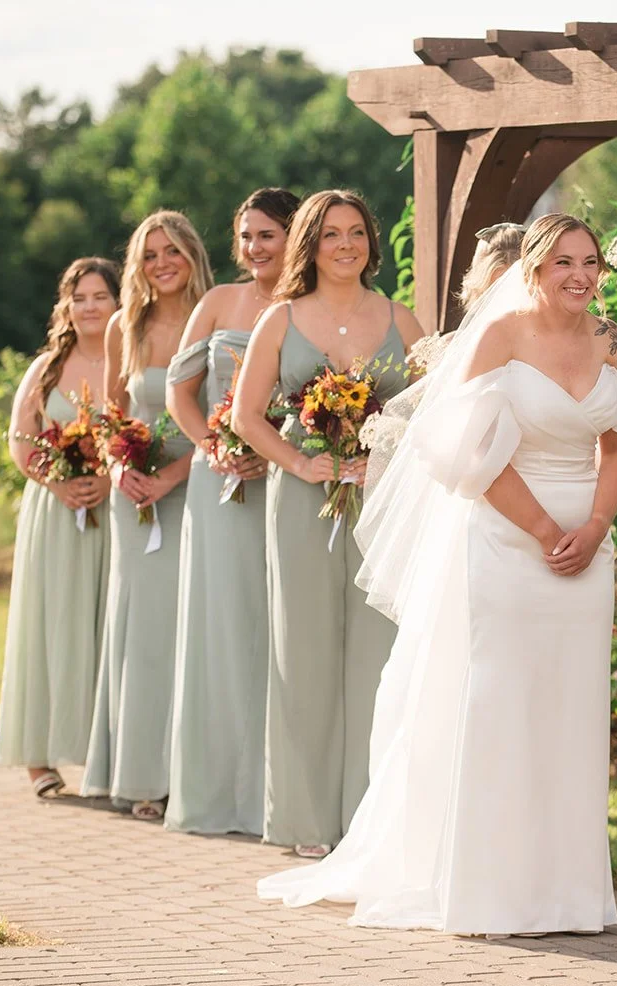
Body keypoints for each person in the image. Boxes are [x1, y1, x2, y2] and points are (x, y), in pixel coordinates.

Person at [256, 214, 617, 935]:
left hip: (585, 547)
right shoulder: (499, 337)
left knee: (569, 711)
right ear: (533, 269)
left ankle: (569, 895)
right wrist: (543, 529)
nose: (580, 274)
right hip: (509, 543)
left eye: (590, 261)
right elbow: (464, 454)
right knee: (501, 704)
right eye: (563, 261)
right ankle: (492, 892)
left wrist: (596, 525)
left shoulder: (609, 340)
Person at [231, 189, 425, 859]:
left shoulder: (404, 318)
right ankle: (307, 822)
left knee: (378, 655)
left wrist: (388, 457)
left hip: (383, 504)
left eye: (358, 232)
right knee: (304, 653)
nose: (348, 244)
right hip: (302, 504)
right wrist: (298, 462)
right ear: (309, 243)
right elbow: (247, 415)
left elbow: (431, 412)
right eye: (333, 233)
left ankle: (373, 820)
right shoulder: (281, 319)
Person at [163, 187, 298, 837]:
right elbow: (178, 390)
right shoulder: (217, 304)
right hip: (214, 484)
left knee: (275, 633)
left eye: (266, 234)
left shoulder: (307, 306)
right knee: (217, 630)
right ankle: (212, 792)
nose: (253, 247)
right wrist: (214, 444)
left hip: (286, 485)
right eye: (245, 236)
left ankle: (273, 797)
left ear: (294, 233)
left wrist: (273, 453)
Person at [82, 211, 210, 819]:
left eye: (173, 250)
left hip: (193, 487)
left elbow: (223, 417)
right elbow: (111, 415)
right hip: (132, 496)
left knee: (187, 630)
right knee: (142, 633)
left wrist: (172, 476)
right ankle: (138, 776)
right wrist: (117, 469)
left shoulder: (212, 317)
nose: (162, 262)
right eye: (150, 253)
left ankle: (187, 776)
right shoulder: (121, 327)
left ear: (191, 255)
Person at [0, 258, 118, 798]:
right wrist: (58, 482)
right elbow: (20, 441)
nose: (89, 307)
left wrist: (110, 481)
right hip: (54, 511)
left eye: (100, 296)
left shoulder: (128, 362)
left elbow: (147, 431)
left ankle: (104, 756)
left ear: (118, 303)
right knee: (49, 623)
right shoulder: (46, 368)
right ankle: (39, 758)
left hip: (116, 511)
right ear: (66, 306)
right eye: (79, 297)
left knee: (104, 629)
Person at [405, 222, 526, 376]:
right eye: (493, 290)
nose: (503, 300)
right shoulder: (448, 351)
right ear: (477, 291)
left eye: (512, 289)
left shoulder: (551, 349)